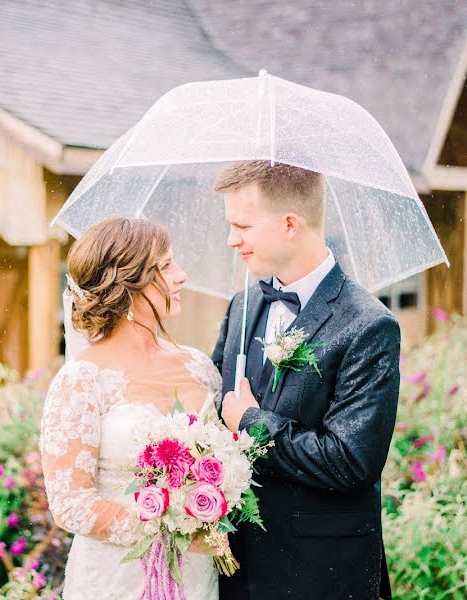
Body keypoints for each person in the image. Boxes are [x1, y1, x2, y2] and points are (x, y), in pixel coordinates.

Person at [212, 161, 400, 599]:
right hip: (237, 568)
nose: (231, 239)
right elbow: (212, 420)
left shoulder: (369, 326)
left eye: (242, 225)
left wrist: (251, 421)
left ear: (290, 224)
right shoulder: (242, 306)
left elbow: (349, 461)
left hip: (321, 573)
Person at [40, 217, 224, 599]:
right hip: (116, 579)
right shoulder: (82, 380)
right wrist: (172, 530)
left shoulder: (199, 367)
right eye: (167, 265)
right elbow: (71, 505)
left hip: (196, 578)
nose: (182, 276)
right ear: (128, 281)